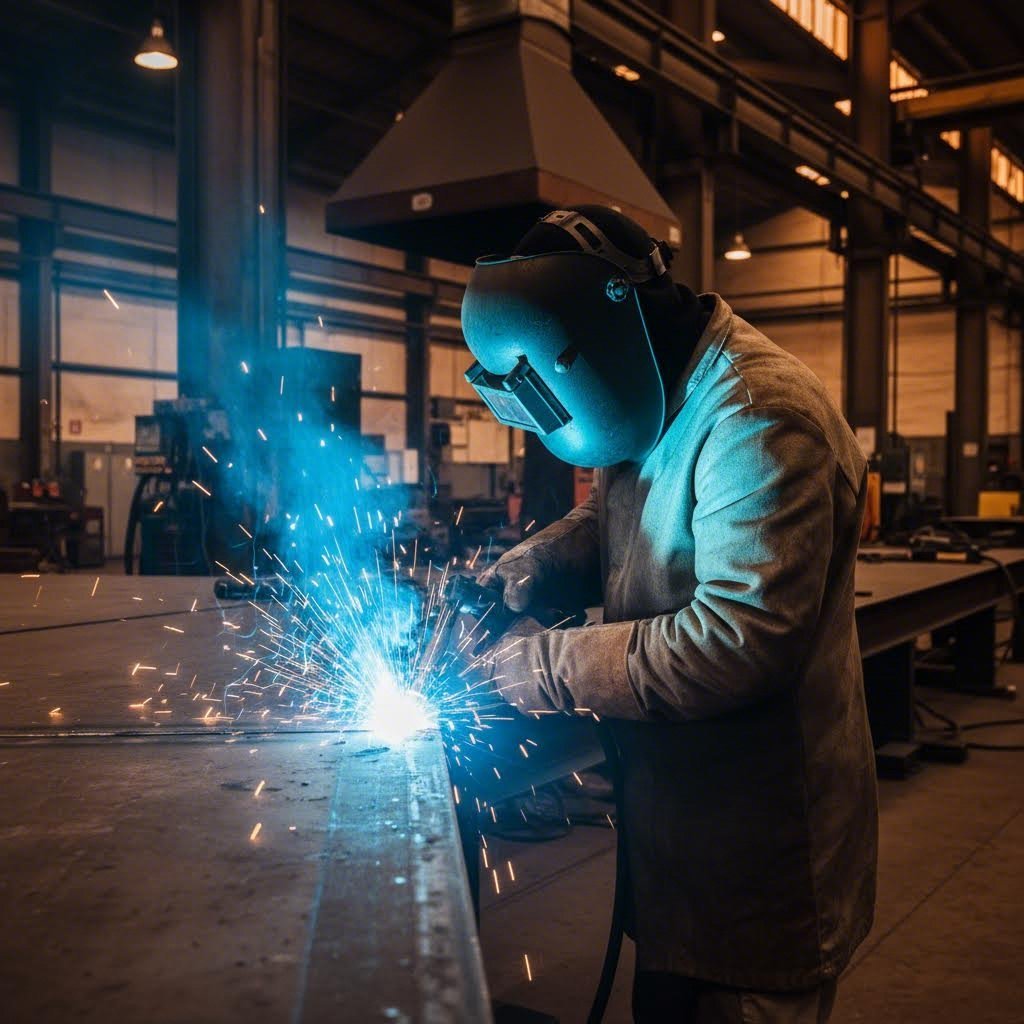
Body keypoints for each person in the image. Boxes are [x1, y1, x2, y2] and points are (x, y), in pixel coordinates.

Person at [461, 206, 878, 1023]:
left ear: (613, 323)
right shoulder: (653, 384)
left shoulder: (761, 416)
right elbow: (619, 512)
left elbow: (739, 641)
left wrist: (541, 666)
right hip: (681, 839)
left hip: (762, 855)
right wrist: (529, 569)